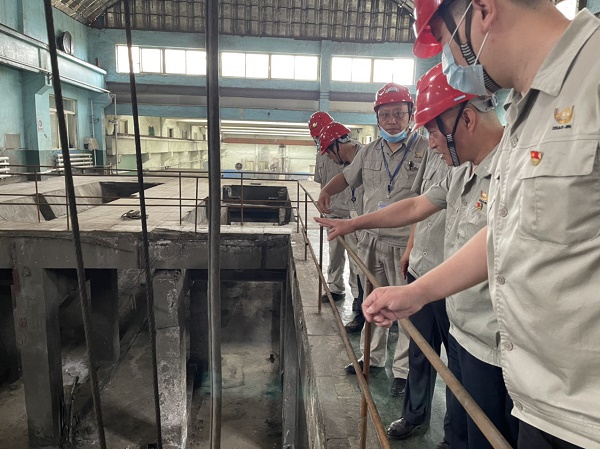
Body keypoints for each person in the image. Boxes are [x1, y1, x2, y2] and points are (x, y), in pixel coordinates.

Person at [363, 0, 600, 448]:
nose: (452, 63)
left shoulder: (593, 79)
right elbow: (503, 232)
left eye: (448, 43)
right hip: (538, 397)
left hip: (584, 415)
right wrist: (415, 293)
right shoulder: (527, 113)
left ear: (484, 10)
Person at [316, 64, 517, 449]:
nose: (431, 143)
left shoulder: (515, 171)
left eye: (433, 131)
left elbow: (492, 246)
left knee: (488, 428)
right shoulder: (461, 171)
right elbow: (413, 207)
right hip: (462, 322)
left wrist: (415, 292)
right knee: (459, 406)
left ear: (467, 120)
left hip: (494, 337)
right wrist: (354, 223)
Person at [317, 83, 429, 397]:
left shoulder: (424, 150)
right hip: (371, 241)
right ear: (377, 117)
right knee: (372, 302)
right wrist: (327, 190)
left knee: (405, 309)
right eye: (386, 114)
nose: (392, 121)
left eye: (399, 113)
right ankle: (372, 357)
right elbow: (347, 176)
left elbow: (428, 201)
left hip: (404, 244)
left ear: (410, 115)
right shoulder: (368, 151)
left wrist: (412, 245)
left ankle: (403, 371)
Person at [309, 112, 361, 312]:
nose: (320, 140)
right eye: (317, 137)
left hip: (353, 213)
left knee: (356, 258)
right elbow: (321, 181)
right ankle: (335, 287)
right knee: (335, 254)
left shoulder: (357, 151)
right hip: (333, 212)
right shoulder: (322, 154)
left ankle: (358, 296)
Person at [317, 121, 366, 332]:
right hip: (351, 218)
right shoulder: (350, 164)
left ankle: (363, 310)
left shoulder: (367, 156)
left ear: (337, 146)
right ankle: (362, 310)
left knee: (362, 268)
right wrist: (325, 192)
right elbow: (343, 178)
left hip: (368, 223)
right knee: (355, 264)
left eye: (329, 152)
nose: (328, 157)